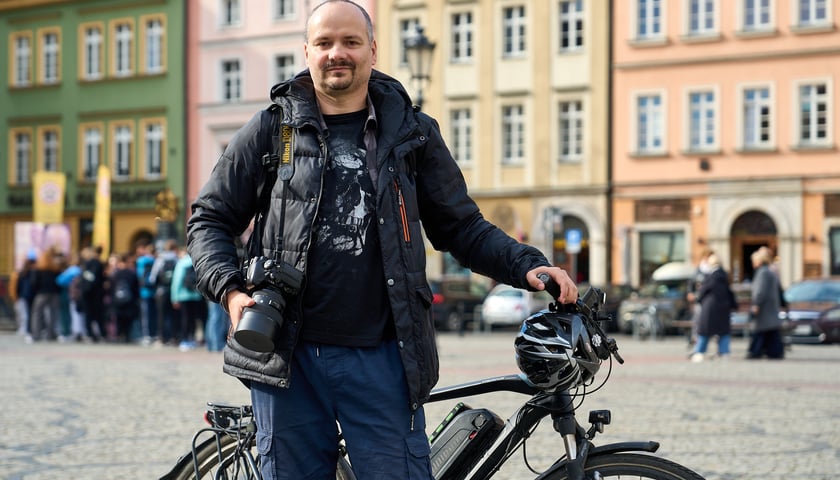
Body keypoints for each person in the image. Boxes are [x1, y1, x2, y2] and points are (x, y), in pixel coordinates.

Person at [186, 1, 578, 478]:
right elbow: (208, 218)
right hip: (286, 358)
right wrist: (231, 292)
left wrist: (525, 264)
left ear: (372, 49)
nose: (337, 53)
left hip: (383, 358)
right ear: (306, 51)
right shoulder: (273, 129)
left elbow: (461, 226)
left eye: (350, 42)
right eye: (325, 43)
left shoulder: (414, 134)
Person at [690, 253, 737, 362]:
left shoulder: (711, 276)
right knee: (723, 331)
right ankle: (724, 353)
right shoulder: (724, 275)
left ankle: (700, 352)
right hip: (724, 307)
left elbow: (703, 291)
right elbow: (730, 292)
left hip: (710, 307)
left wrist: (698, 298)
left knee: (704, 330)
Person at [747, 246, 785, 359]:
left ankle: (756, 351)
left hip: (764, 308)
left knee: (760, 331)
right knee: (771, 331)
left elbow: (760, 291)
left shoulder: (762, 273)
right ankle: (773, 351)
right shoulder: (770, 271)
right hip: (771, 307)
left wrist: (756, 304)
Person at [170, 250, 206, 351]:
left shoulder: (181, 263)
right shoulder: (196, 262)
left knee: (185, 318)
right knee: (194, 319)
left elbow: (177, 281)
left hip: (183, 295)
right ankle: (192, 339)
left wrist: (174, 297)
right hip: (196, 295)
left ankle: (184, 340)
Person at [148, 239, 180, 346]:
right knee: (174, 315)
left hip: (161, 291)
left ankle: (161, 337)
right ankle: (174, 337)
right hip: (173, 292)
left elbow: (152, 277)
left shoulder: (160, 259)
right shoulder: (176, 259)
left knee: (161, 315)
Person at [79, 246, 107, 341]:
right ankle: (97, 334)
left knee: (91, 315)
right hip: (94, 293)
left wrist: (86, 289)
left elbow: (91, 278)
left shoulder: (93, 263)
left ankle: (94, 334)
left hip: (91, 293)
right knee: (95, 315)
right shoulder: (94, 263)